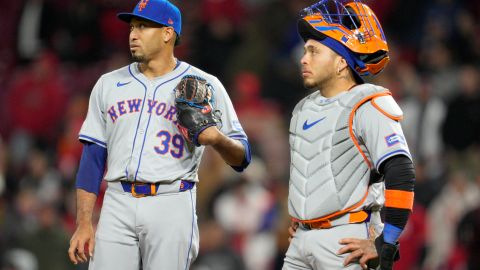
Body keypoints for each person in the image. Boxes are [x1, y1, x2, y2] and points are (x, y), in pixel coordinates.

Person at [67, 0, 251, 269]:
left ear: (168, 33)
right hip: (117, 201)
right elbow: (93, 157)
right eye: (132, 27)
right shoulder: (108, 84)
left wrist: (217, 139)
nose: (133, 34)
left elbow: (243, 157)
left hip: (171, 201)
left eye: (143, 26)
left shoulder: (205, 84)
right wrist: (84, 222)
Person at [283, 0, 415, 269]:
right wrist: (304, 215)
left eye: (313, 51)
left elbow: (401, 170)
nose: (303, 58)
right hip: (300, 241)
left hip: (348, 240)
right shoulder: (302, 109)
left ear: (341, 62)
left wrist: (386, 241)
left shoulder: (368, 102)